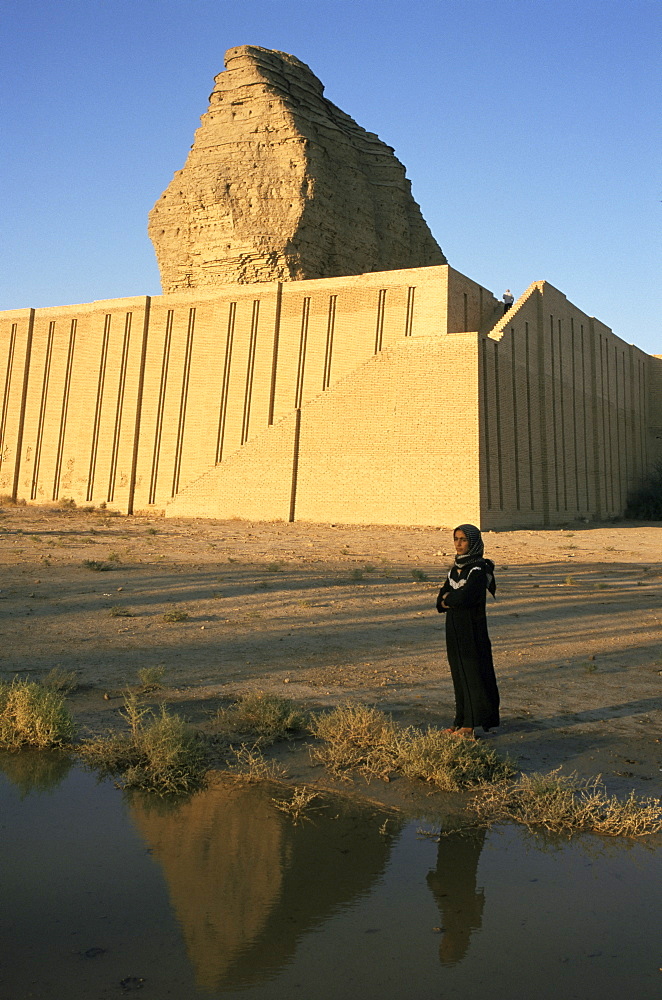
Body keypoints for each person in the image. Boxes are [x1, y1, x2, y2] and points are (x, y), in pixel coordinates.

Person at [436, 523, 500, 737]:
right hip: (454, 628)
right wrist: (448, 600)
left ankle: (470, 725)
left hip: (472, 630)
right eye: (456, 539)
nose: (459, 544)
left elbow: (465, 597)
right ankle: (459, 720)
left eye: (464, 539)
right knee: (458, 674)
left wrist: (449, 599)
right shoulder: (455, 569)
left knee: (473, 674)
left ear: (473, 542)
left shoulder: (479, 569)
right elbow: (440, 600)